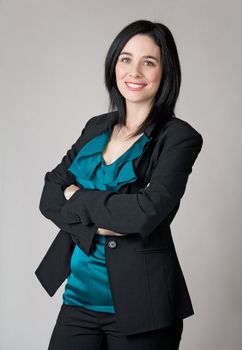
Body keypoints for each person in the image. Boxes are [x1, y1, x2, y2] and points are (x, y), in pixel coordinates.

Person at [35, 19, 203, 350]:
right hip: (78, 301)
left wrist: (78, 198)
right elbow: (50, 194)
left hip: (145, 309)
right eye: (126, 59)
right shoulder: (96, 127)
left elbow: (144, 214)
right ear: (114, 65)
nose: (134, 71)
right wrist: (109, 220)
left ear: (165, 72)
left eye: (149, 62)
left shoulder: (179, 138)